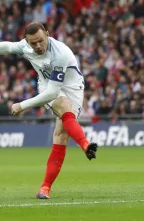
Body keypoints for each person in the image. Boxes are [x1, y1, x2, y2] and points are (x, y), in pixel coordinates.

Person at [0, 22, 98, 199]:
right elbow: (7, 47)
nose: (37, 46)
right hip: (47, 84)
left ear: (47, 34)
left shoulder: (60, 54)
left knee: (61, 134)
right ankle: (84, 144)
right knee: (61, 105)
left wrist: (22, 105)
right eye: (33, 43)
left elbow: (54, 91)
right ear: (27, 41)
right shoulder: (25, 46)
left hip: (72, 87)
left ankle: (45, 187)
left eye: (40, 41)